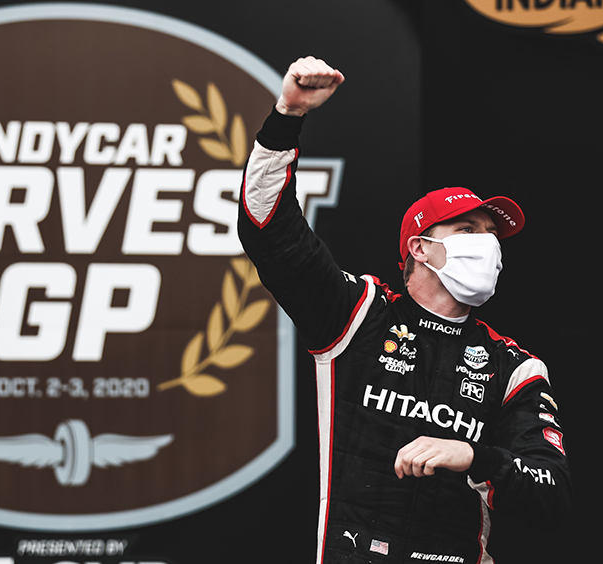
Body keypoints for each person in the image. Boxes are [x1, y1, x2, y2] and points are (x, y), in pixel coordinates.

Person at [238, 56, 572, 564]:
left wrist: (474, 457)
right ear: (419, 249)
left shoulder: (516, 368)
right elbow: (268, 229)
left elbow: (552, 497)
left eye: (491, 236)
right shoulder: (358, 315)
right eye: (467, 232)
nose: (487, 246)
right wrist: (288, 114)